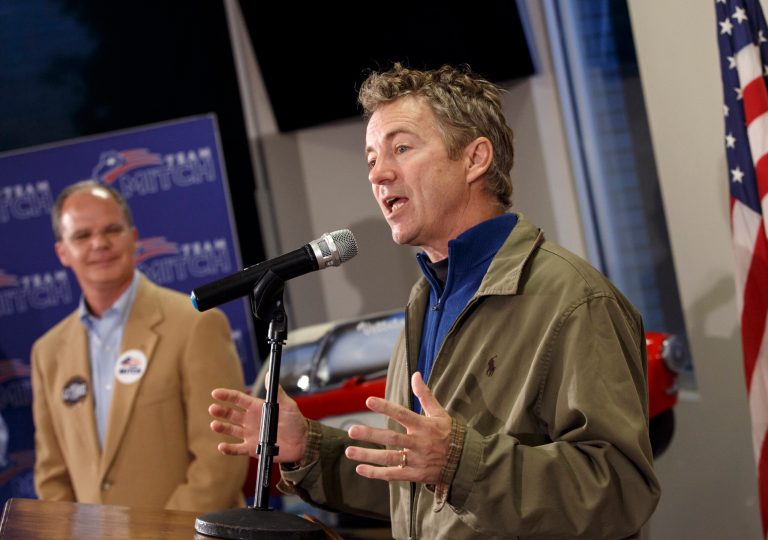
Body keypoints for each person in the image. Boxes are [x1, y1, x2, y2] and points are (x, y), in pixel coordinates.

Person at [209, 64, 661, 538]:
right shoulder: (425, 299)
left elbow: (620, 491)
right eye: (370, 159)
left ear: (474, 159)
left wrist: (459, 462)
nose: (379, 174)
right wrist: (309, 449)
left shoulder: (573, 299)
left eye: (401, 148)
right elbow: (423, 493)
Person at [31, 180, 248, 512]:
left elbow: (221, 458)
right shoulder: (47, 354)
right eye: (82, 236)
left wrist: (159, 534)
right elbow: (52, 476)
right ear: (62, 252)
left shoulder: (195, 325)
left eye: (112, 229)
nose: (99, 243)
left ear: (134, 238)